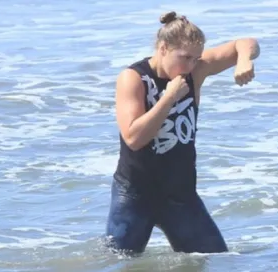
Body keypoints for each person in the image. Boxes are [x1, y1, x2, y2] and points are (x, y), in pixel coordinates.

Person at [106, 11, 260, 254]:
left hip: (180, 194)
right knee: (116, 262)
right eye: (185, 57)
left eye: (195, 59)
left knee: (217, 260)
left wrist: (244, 60)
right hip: (135, 195)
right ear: (163, 48)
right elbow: (134, 138)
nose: (190, 65)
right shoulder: (133, 78)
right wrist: (168, 97)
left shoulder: (194, 71)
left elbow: (246, 43)